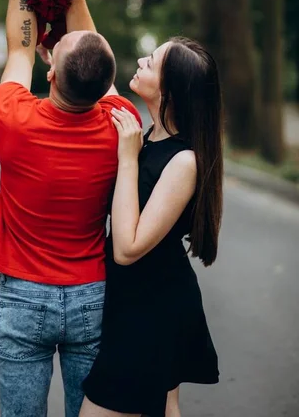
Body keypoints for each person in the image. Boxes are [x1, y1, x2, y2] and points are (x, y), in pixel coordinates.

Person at [0, 0, 140, 417]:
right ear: (109, 84)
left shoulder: (11, 116)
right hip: (92, 297)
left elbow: (19, 47)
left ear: (49, 72)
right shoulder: (122, 121)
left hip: (23, 298)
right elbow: (92, 49)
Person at [81, 37, 223, 417]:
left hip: (153, 310)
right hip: (140, 300)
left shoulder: (184, 161)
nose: (141, 59)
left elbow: (127, 249)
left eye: (153, 60)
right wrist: (74, 1)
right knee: (163, 408)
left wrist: (127, 158)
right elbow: (97, 63)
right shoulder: (149, 135)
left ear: (169, 91)